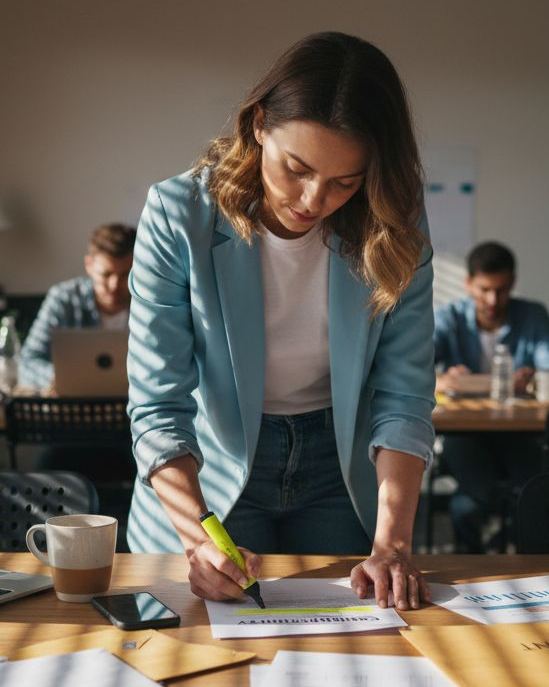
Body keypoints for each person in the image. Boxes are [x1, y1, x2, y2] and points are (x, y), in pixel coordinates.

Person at [126, 32, 435, 611]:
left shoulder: (394, 221)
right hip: (209, 475)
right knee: (203, 662)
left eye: (347, 181)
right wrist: (199, 541)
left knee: (353, 653)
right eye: (297, 168)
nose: (314, 199)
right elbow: (158, 405)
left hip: (340, 470)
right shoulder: (178, 215)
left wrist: (391, 544)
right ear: (259, 124)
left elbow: (404, 396)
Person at [432, 241, 549, 552]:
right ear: (468, 284)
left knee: (535, 494)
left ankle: (530, 563)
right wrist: (440, 380)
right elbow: (416, 368)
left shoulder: (532, 315)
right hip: (464, 434)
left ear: (513, 284)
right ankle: (473, 557)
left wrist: (533, 378)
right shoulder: (449, 317)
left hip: (518, 432)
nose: (493, 299)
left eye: (502, 290)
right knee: (477, 495)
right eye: (484, 290)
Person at [19, 223, 137, 390]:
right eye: (106, 274)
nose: (114, 285)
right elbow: (27, 361)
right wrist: (59, 378)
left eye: (126, 275)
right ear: (89, 265)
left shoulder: (151, 304)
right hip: (74, 409)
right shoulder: (64, 298)